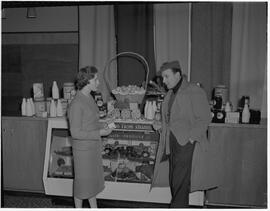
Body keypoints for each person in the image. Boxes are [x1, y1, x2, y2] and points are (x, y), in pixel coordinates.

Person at [152, 61, 216, 208]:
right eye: (163, 77)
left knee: (179, 182)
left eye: (167, 76)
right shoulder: (170, 93)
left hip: (185, 144)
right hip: (171, 142)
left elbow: (205, 117)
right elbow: (173, 120)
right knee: (175, 180)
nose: (164, 81)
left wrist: (191, 138)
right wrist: (161, 126)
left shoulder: (194, 90)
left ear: (178, 74)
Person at [68, 66, 112, 208]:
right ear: (86, 81)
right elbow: (75, 133)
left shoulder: (89, 97)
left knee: (91, 184)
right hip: (83, 152)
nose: (98, 82)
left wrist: (103, 125)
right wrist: (99, 133)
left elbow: (91, 122)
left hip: (92, 148)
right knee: (82, 186)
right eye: (96, 79)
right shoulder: (76, 103)